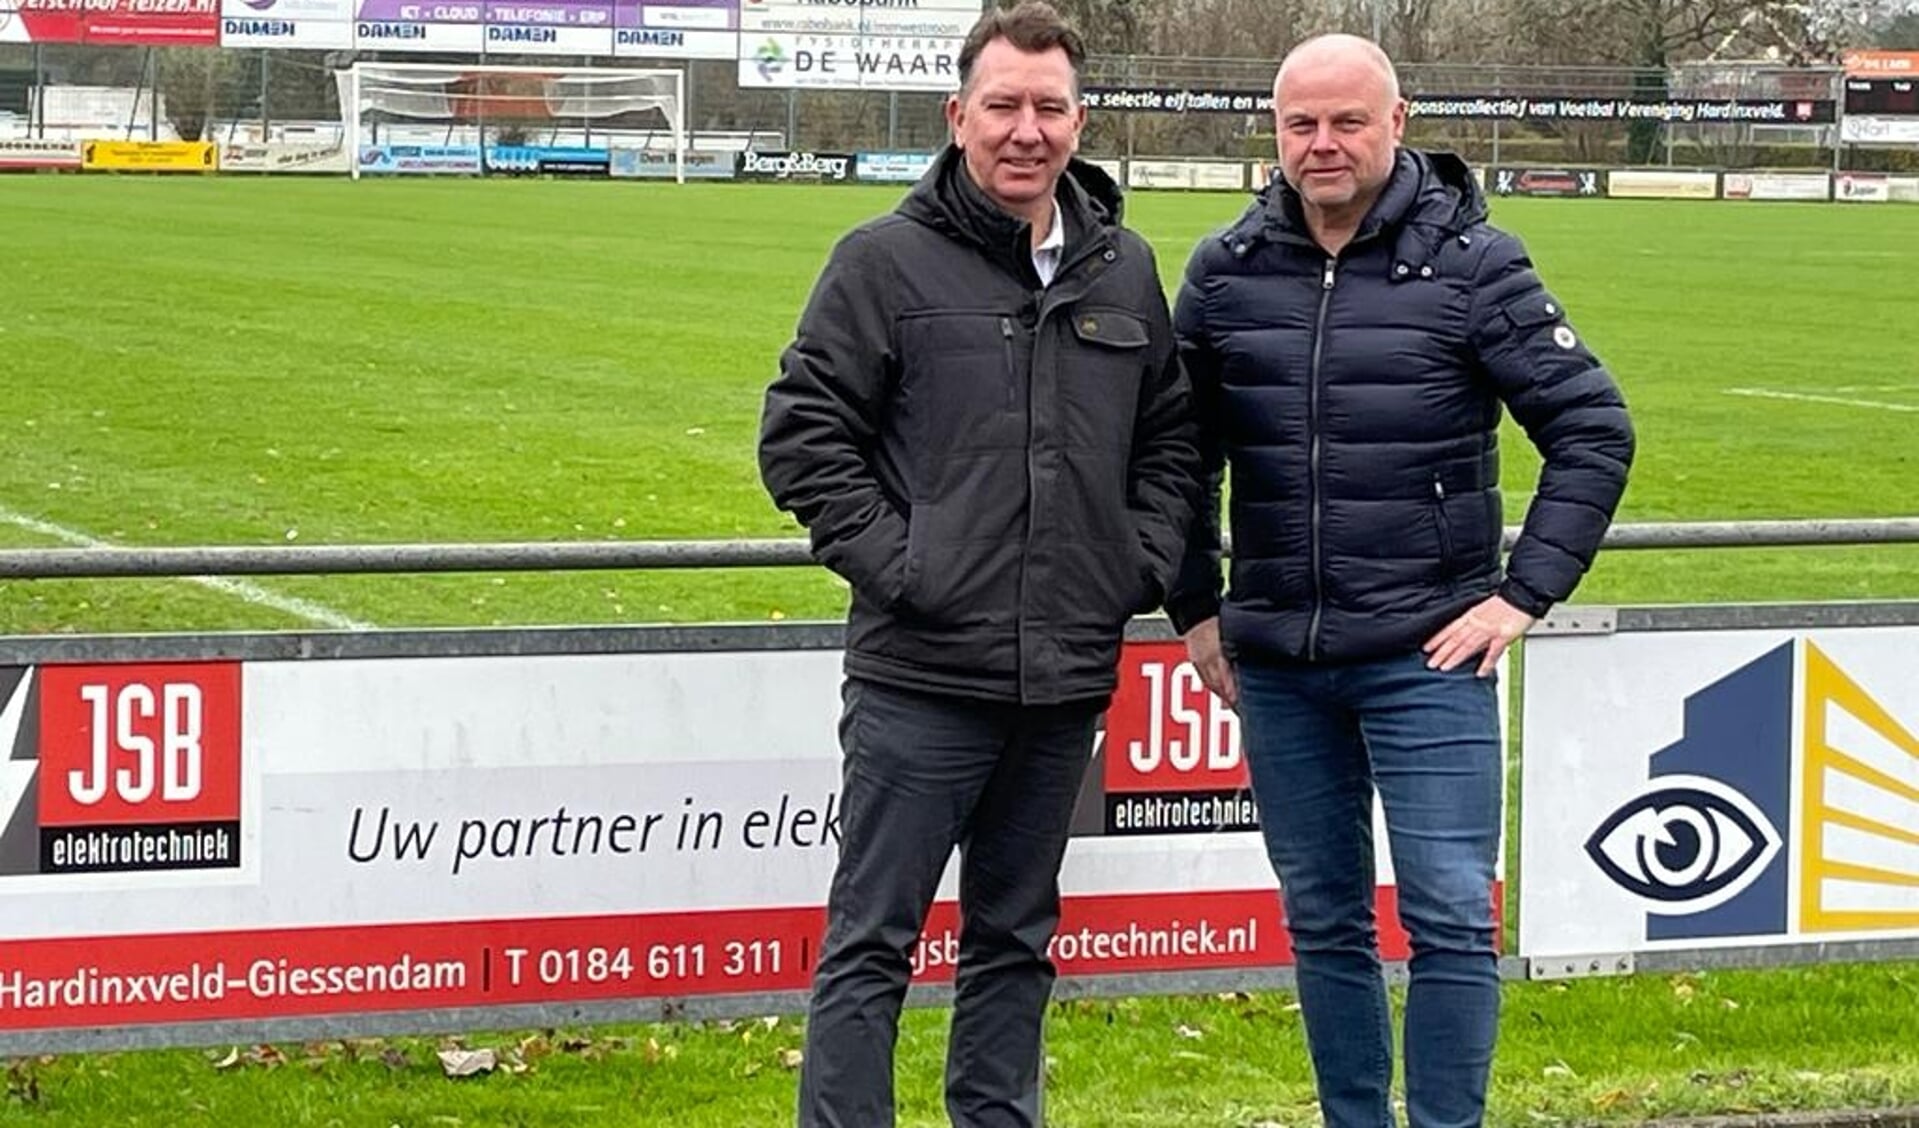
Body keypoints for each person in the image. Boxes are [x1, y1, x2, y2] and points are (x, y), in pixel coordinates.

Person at [1167, 34, 1634, 1128]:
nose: (1320, 145)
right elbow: (1173, 456)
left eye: (1345, 122)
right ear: (1274, 132)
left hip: (1428, 657)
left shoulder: (1475, 265)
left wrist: (1522, 594)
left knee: (1446, 917)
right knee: (1323, 921)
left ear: (1396, 120)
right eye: (1299, 125)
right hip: (1278, 664)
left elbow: (1591, 428)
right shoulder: (1224, 271)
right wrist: (1192, 606)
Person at [756, 3, 1199, 1124]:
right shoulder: (882, 261)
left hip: (1059, 680)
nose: (1025, 129)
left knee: (1014, 941)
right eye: (1001, 105)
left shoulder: (1122, 270)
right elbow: (802, 437)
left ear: (1077, 119)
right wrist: (908, 568)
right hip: (919, 677)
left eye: (1047, 107)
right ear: (957, 117)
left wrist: (1130, 565)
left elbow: (1171, 442)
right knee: (871, 946)